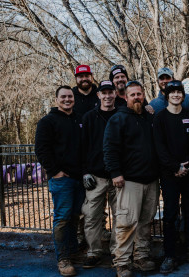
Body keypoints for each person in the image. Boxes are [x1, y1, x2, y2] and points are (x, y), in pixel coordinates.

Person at [103, 81, 159, 277]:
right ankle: (122, 262)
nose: (137, 97)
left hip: (151, 180)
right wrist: (115, 173)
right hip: (129, 181)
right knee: (126, 222)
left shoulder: (149, 118)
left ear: (144, 96)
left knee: (145, 222)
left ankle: (141, 257)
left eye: (139, 94)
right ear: (125, 97)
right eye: (132, 94)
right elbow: (110, 148)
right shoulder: (118, 119)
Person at [153, 80, 189, 274]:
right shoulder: (160, 118)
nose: (175, 95)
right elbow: (160, 147)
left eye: (178, 92)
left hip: (188, 173)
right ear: (166, 95)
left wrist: (186, 166)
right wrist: (175, 167)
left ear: (183, 95)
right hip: (169, 174)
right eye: (171, 92)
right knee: (170, 215)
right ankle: (170, 254)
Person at [35, 86, 84, 277]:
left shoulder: (79, 119)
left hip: (79, 178)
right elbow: (41, 149)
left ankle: (73, 252)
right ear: (56, 100)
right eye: (63, 97)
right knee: (62, 218)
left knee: (74, 217)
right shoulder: (47, 121)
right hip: (62, 180)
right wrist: (55, 172)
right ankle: (62, 258)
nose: (67, 99)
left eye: (70, 96)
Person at [80, 81, 118, 268]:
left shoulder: (121, 115)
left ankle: (117, 251)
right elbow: (82, 146)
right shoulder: (89, 117)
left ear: (115, 94)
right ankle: (94, 252)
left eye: (110, 92)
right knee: (92, 216)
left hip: (118, 176)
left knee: (121, 216)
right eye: (104, 92)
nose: (108, 96)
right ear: (99, 95)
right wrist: (85, 172)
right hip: (95, 177)